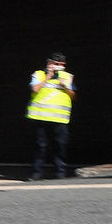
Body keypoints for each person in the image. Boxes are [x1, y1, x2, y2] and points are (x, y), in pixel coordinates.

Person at [27, 51, 76, 180]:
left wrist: (65, 86)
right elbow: (35, 89)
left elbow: (73, 95)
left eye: (61, 64)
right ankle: (36, 172)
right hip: (40, 117)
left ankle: (60, 172)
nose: (59, 66)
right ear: (49, 63)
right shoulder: (38, 74)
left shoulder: (67, 76)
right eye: (56, 63)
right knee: (40, 146)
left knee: (60, 145)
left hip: (59, 118)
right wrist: (48, 77)